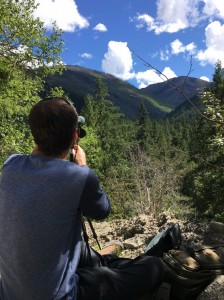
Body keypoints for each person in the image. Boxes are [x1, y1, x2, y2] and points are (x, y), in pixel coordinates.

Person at [0, 97, 165, 300]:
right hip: (60, 296)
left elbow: (36, 163)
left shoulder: (10, 165)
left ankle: (106, 262)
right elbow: (102, 211)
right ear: (75, 135)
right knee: (154, 266)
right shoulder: (79, 176)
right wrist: (82, 167)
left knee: (84, 251)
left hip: (10, 292)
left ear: (35, 135)